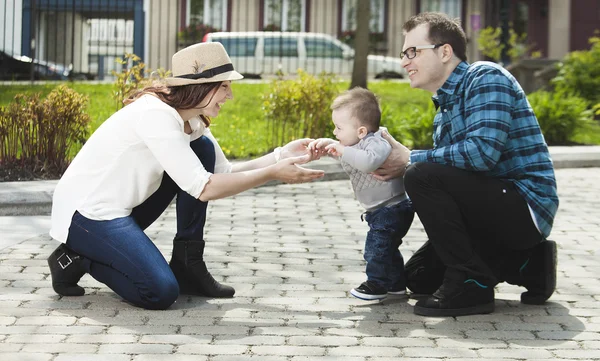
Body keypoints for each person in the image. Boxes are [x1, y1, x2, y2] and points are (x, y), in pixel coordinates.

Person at [46, 42, 324, 310]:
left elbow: (223, 173)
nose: (230, 96)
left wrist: (280, 156)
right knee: (160, 292)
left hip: (119, 207)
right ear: (200, 86)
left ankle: (187, 264)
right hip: (86, 214)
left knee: (202, 149)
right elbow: (204, 188)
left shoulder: (191, 118)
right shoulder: (155, 115)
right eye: (224, 86)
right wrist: (273, 174)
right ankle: (78, 256)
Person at [372, 12, 559, 317]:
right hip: (490, 212)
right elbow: (451, 185)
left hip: (525, 207)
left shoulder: (485, 77)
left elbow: (483, 154)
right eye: (403, 54)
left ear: (445, 52)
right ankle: (530, 263)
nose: (404, 62)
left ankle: (472, 285)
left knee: (420, 173)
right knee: (419, 278)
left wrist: (409, 160)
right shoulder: (443, 112)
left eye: (412, 52)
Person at [308, 87, 414, 301]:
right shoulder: (355, 144)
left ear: (362, 132)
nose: (335, 133)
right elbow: (349, 156)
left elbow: (367, 162)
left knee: (375, 248)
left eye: (339, 128)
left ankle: (376, 285)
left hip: (392, 208)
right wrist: (330, 145)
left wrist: (342, 149)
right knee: (388, 248)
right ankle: (395, 285)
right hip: (380, 209)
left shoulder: (377, 142)